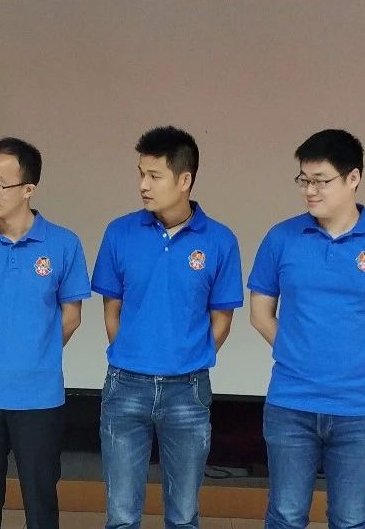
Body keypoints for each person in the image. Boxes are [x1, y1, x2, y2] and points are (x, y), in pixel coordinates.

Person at [248, 129, 365, 529]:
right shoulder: (281, 237)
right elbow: (260, 313)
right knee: (286, 514)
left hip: (357, 408)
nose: (310, 191)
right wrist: (295, 352)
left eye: (321, 181)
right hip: (290, 403)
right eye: (303, 180)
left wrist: (357, 358)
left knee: (351, 518)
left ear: (353, 178)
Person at [91, 126, 243, 529]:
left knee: (184, 514)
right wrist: (131, 352)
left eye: (154, 176)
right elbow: (111, 309)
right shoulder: (120, 232)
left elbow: (222, 319)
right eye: (141, 173)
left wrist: (187, 357)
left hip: (187, 390)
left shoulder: (220, 240)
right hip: (125, 384)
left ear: (185, 179)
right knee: (121, 515)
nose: (143, 185)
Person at [0, 137, 91, 529]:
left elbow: (71, 316)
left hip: (39, 396)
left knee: (41, 503)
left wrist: (35, 350)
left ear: (28, 189)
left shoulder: (63, 243)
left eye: (0, 184)